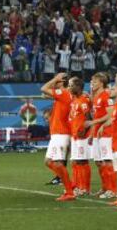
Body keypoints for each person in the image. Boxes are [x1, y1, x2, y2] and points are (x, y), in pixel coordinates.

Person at [40, 73, 74, 201]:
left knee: (58, 163)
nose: (54, 82)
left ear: (62, 82)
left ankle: (69, 191)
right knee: (48, 162)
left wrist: (54, 79)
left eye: (57, 80)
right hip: (58, 133)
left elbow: (43, 88)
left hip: (61, 133)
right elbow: (46, 92)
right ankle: (68, 184)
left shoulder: (64, 93)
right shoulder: (64, 94)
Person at [86, 72, 117, 199]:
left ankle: (113, 190)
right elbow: (96, 114)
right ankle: (105, 188)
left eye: (95, 81)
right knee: (99, 162)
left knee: (107, 161)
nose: (92, 83)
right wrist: (92, 132)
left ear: (102, 83)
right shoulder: (97, 96)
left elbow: (110, 115)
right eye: (92, 81)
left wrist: (94, 122)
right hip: (97, 133)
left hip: (106, 133)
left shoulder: (106, 96)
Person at [68, 77, 92, 197]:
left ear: (78, 87)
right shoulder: (75, 99)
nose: (69, 87)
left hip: (82, 136)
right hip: (75, 135)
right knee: (76, 161)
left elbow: (89, 118)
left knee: (82, 161)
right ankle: (77, 186)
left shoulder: (83, 100)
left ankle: (85, 188)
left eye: (71, 85)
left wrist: (84, 130)